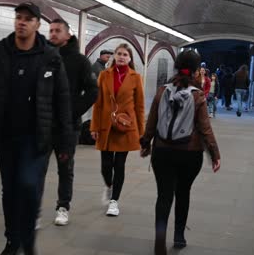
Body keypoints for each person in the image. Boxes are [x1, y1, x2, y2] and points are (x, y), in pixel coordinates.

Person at [0, 2, 74, 255]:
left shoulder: (49, 56)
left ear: (37, 24)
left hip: (36, 137)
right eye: (18, 17)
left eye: (27, 19)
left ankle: (26, 239)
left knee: (28, 184)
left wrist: (66, 142)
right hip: (5, 135)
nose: (21, 22)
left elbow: (62, 99)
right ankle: (13, 239)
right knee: (10, 189)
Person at [139, 50, 221, 255]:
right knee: (183, 193)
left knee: (164, 196)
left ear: (176, 68)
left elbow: (152, 121)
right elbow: (204, 128)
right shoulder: (198, 95)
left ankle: (159, 242)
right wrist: (214, 154)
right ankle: (179, 237)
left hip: (163, 152)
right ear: (195, 72)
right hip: (189, 154)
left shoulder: (162, 91)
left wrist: (146, 143)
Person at [39, 18, 98, 226]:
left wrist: (72, 112)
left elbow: (92, 90)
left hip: (67, 128)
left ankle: (63, 207)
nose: (53, 34)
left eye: (57, 31)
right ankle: (34, 211)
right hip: (43, 126)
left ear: (68, 34)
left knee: (65, 168)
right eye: (51, 30)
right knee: (38, 168)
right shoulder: (42, 57)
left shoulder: (80, 61)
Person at [90, 43, 145, 217]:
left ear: (130, 59)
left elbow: (140, 106)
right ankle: (109, 185)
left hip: (125, 127)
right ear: (114, 56)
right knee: (105, 166)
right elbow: (97, 104)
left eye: (125, 55)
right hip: (106, 126)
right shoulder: (104, 75)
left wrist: (142, 133)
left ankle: (114, 201)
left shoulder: (136, 77)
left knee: (119, 165)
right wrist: (94, 126)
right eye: (119, 54)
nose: (121, 57)